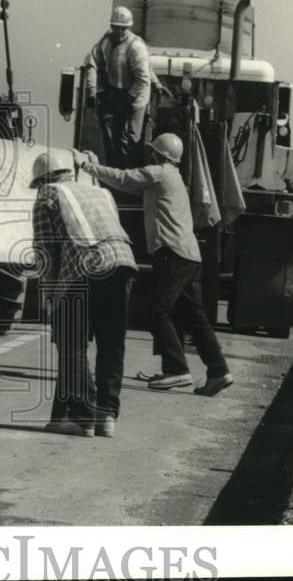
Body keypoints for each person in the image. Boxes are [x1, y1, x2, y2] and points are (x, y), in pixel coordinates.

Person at [75, 133, 234, 396]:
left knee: (155, 309)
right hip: (189, 256)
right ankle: (218, 370)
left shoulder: (159, 173)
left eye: (153, 153)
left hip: (172, 254)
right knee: (195, 318)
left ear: (159, 155)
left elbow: (124, 179)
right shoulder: (174, 177)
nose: (150, 156)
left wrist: (88, 166)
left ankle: (177, 370)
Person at [30, 149, 137, 437]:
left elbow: (46, 253)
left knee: (71, 345)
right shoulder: (99, 192)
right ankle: (106, 416)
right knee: (111, 343)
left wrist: (49, 296)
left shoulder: (48, 195)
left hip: (84, 267)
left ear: (42, 179)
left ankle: (82, 417)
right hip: (123, 263)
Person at [84, 6, 171, 167]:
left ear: (129, 28)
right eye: (116, 28)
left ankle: (132, 170)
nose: (119, 32)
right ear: (112, 27)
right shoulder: (106, 41)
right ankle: (117, 168)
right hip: (118, 92)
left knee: (131, 137)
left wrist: (152, 86)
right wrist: (92, 92)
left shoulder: (136, 47)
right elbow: (93, 64)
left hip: (137, 96)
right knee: (116, 136)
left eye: (123, 29)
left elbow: (143, 78)